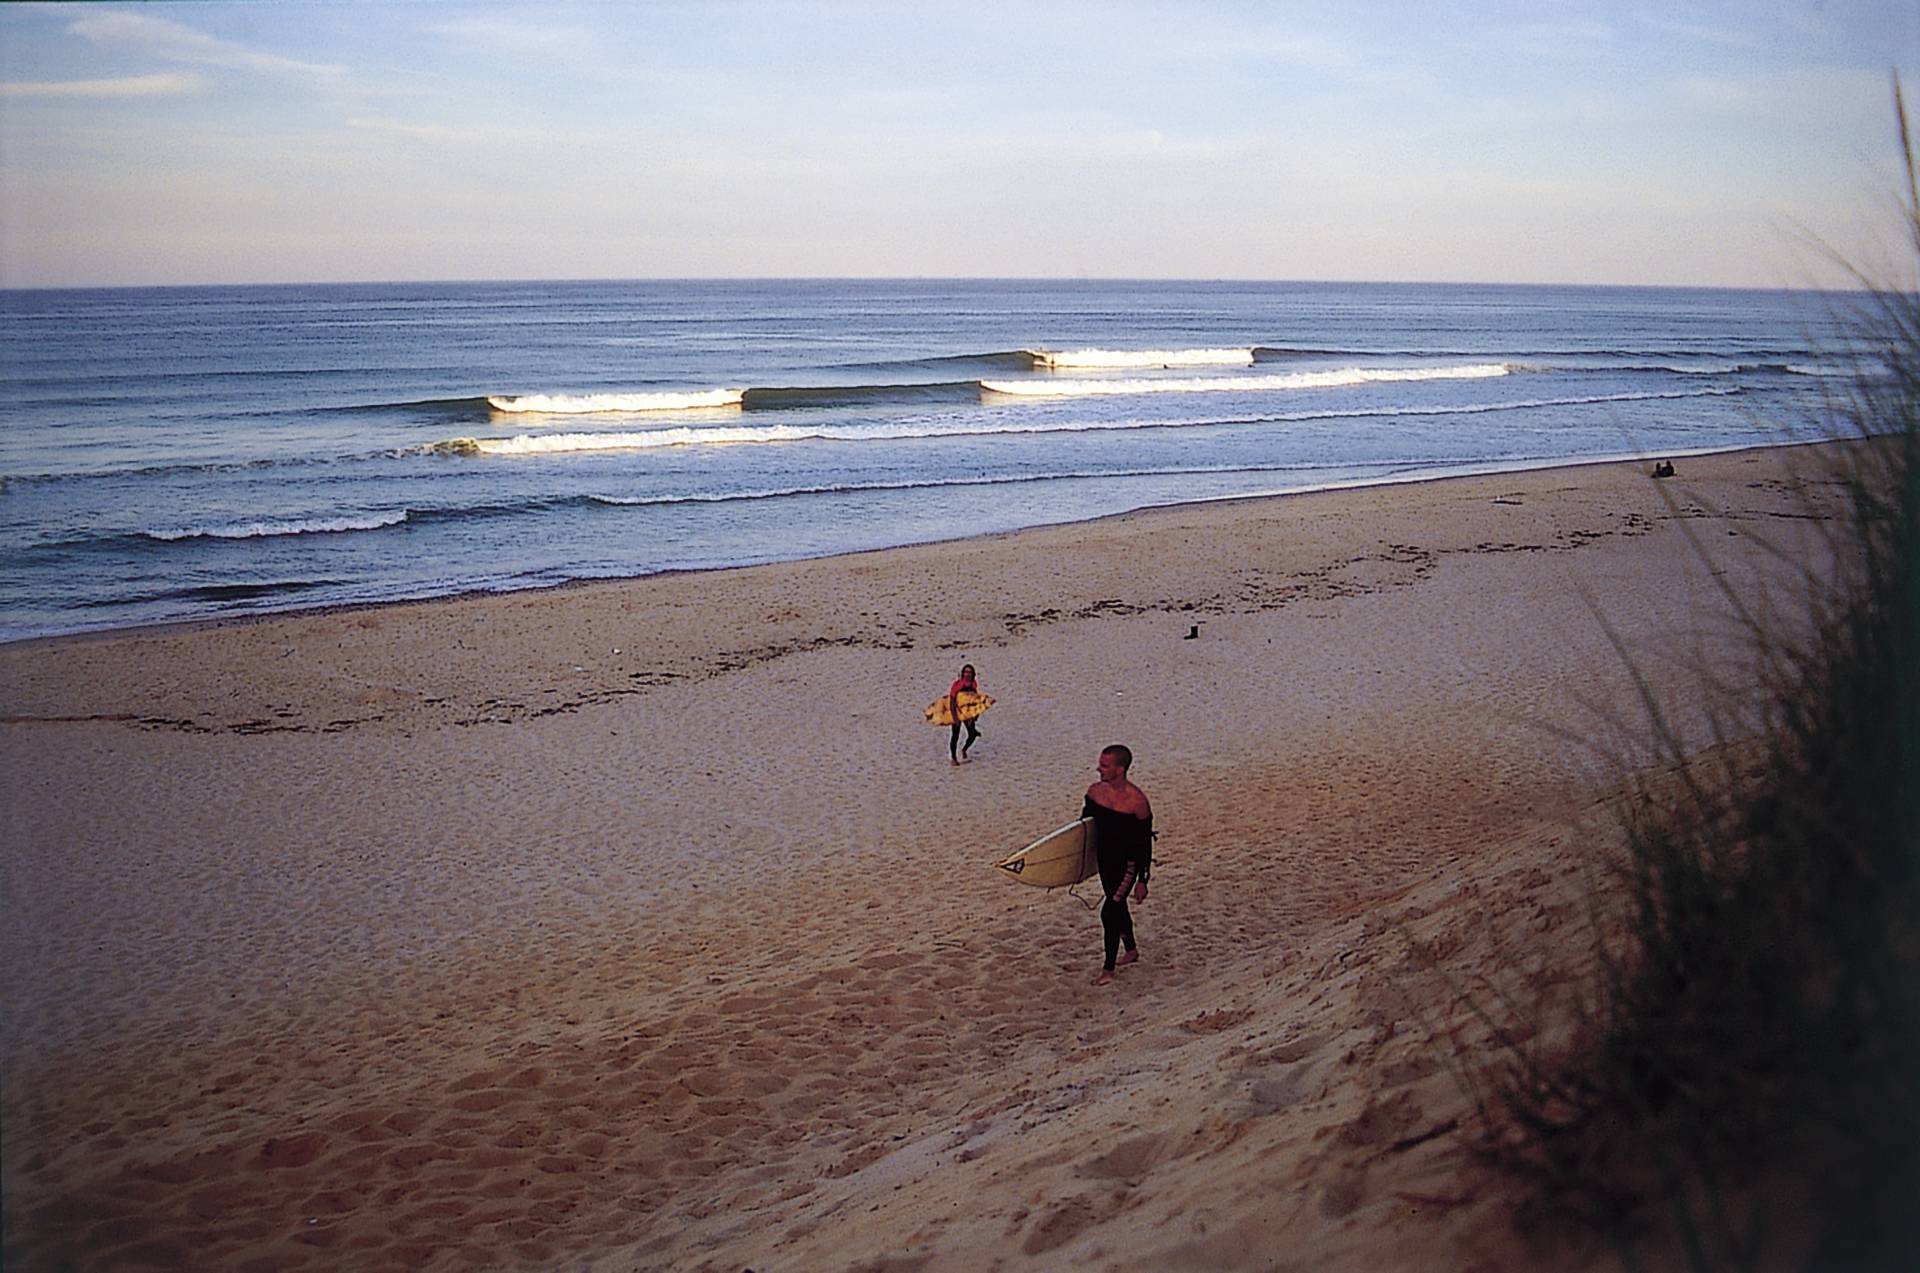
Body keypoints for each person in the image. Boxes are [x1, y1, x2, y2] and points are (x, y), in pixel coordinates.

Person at [1083, 744, 1152, 985]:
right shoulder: (1094, 793)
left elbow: (1145, 844)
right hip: (1104, 860)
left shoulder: (1137, 803)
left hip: (1127, 865)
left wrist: (1143, 880)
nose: (1098, 769)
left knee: (1110, 910)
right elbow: (1083, 829)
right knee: (1118, 905)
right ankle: (1131, 950)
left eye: (1104, 765)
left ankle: (1108, 969)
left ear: (1120, 769)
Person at [948, 664, 982, 765]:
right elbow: (952, 701)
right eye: (966, 672)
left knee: (972, 734)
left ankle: (964, 750)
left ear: (973, 674)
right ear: (962, 674)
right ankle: (954, 758)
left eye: (970, 672)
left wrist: (976, 714)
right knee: (955, 735)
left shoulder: (973, 684)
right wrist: (955, 717)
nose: (967, 674)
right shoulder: (957, 684)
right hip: (957, 711)